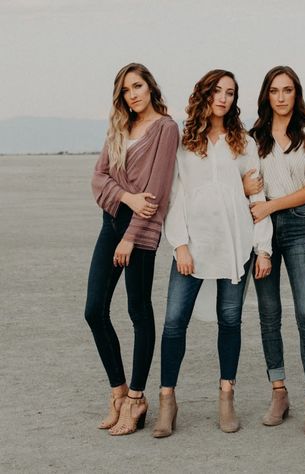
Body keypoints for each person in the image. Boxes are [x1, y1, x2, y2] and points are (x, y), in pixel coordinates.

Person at [152, 69, 272, 437]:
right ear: (204, 95)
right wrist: (181, 245)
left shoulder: (243, 141)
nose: (223, 98)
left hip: (235, 245)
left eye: (231, 93)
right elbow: (175, 195)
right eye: (217, 91)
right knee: (174, 323)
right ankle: (167, 401)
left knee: (230, 319)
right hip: (195, 245)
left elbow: (257, 197)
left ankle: (226, 396)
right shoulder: (185, 140)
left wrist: (263, 248)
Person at [84, 63, 179, 436]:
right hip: (111, 223)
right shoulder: (120, 127)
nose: (133, 94)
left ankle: (138, 398)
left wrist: (131, 235)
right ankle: (119, 392)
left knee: (138, 310)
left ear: (150, 87)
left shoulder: (166, 129)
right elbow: (99, 177)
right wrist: (124, 196)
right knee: (94, 310)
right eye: (126, 90)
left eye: (137, 86)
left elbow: (156, 191)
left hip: (139, 232)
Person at [244, 65, 305, 436]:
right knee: (268, 313)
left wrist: (269, 206)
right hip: (261, 229)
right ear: (266, 95)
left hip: (298, 224)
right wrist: (250, 189)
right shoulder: (253, 137)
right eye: (275, 91)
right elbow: (247, 185)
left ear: (297, 93)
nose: (281, 97)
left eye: (288, 90)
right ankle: (279, 392)